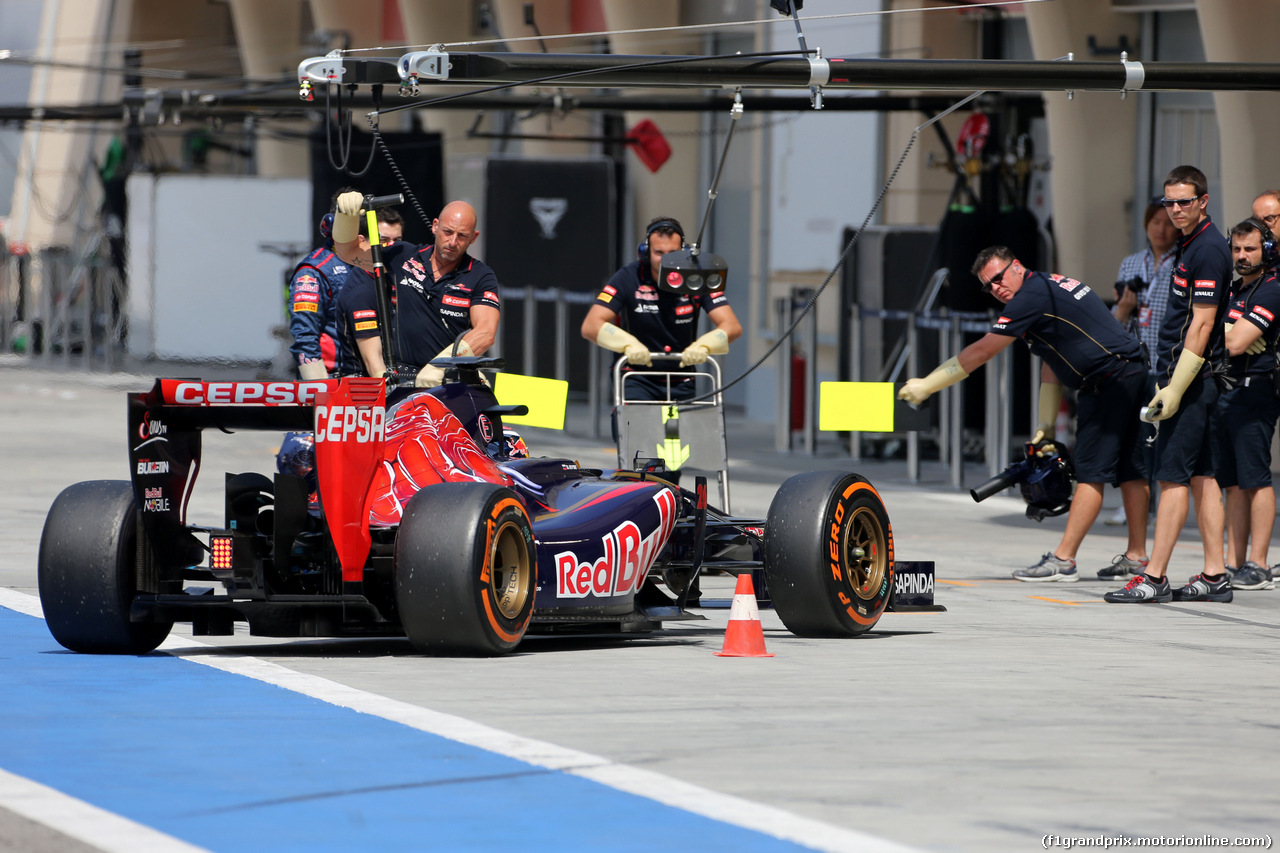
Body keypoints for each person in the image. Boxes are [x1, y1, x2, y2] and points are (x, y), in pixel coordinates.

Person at [899, 246, 1150, 583]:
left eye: (999, 278)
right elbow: (1052, 361)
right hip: (1131, 373)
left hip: (1109, 381)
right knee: (1132, 471)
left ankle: (1064, 560)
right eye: (988, 286)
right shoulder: (1046, 287)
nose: (996, 289)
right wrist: (1045, 425)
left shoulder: (1029, 297)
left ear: (1017, 266)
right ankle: (1136, 556)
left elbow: (983, 350)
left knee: (1092, 472)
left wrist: (928, 384)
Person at [1105, 165, 1232, 604]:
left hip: (1192, 380)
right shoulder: (1190, 243)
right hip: (1190, 377)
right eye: (1169, 202)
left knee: (1171, 477)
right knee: (1203, 476)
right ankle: (1215, 574)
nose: (1175, 210)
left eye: (1184, 202)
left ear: (1203, 201)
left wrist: (1175, 387)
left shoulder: (1210, 249)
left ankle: (1154, 577)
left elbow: (1203, 322)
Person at [331, 195, 500, 384]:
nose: (453, 242)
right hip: (403, 380)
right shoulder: (404, 255)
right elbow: (347, 252)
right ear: (435, 226)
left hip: (448, 380)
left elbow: (486, 332)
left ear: (473, 237)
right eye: (447, 232)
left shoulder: (480, 275)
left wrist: (440, 366)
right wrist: (345, 216)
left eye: (462, 236)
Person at [580, 216, 742, 404]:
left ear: (685, 252)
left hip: (681, 379)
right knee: (640, 432)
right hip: (635, 378)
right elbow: (591, 325)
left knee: (675, 434)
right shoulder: (628, 276)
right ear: (646, 252)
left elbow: (732, 326)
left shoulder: (696, 277)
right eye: (659, 252)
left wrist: (705, 345)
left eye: (673, 253)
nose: (666, 260)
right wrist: (627, 344)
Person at [1103, 200, 1178, 538]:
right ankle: (1135, 503)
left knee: (1165, 440)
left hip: (1171, 365)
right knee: (1137, 441)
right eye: (1155, 222)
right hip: (1137, 361)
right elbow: (1116, 323)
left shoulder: (1184, 262)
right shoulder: (1133, 263)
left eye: (1167, 223)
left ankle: (1164, 504)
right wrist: (1123, 308)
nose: (1161, 229)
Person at [1214, 219, 1280, 591]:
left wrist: (1227, 331)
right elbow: (1227, 335)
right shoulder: (1235, 290)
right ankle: (1235, 563)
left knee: (1255, 478)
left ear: (1266, 251)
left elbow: (1236, 344)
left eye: (1250, 249)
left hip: (1257, 391)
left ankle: (1259, 564)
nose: (1241, 256)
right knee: (1233, 482)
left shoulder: (1271, 290)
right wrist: (1230, 330)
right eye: (1237, 249)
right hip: (1228, 390)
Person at [288, 190, 368, 380]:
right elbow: (304, 336)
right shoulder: (314, 271)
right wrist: (319, 385)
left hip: (372, 375)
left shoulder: (375, 264)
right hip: (334, 379)